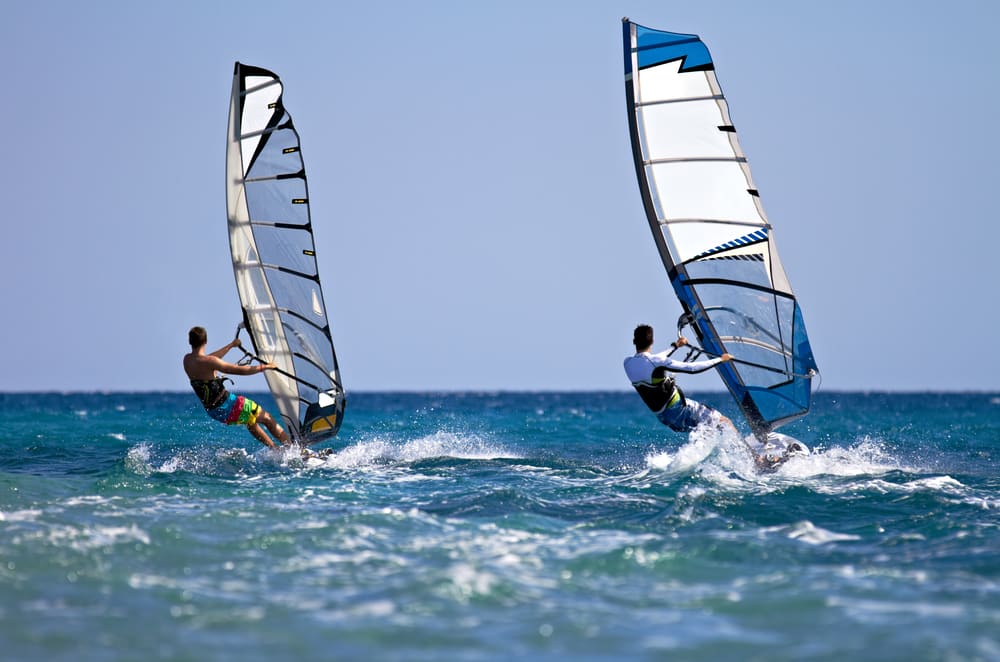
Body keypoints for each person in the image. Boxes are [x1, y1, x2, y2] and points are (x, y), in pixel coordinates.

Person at [183, 326, 291, 449]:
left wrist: (230, 345)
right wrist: (263, 367)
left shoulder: (187, 360)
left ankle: (275, 449)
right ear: (206, 341)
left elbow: (210, 359)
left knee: (251, 421)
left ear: (190, 341)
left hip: (214, 411)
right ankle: (293, 449)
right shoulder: (209, 361)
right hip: (229, 405)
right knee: (267, 418)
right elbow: (239, 370)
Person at [624, 324, 737, 433]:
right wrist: (720, 359)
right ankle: (749, 451)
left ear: (634, 341)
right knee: (725, 422)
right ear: (652, 341)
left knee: (707, 431)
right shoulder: (655, 361)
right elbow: (691, 368)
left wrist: (676, 346)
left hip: (665, 418)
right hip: (679, 409)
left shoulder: (628, 363)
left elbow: (652, 360)